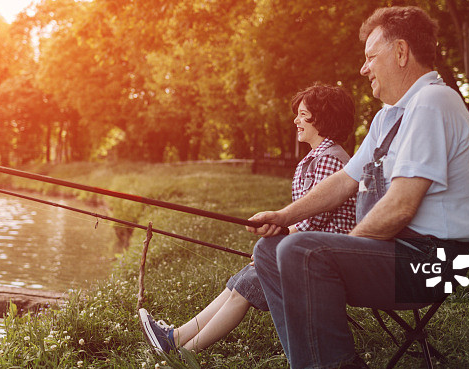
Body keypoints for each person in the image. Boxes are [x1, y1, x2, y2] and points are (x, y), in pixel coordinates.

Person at [247, 6, 469, 369]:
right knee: (270, 250)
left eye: (371, 56)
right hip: (402, 253)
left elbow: (401, 206)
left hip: (434, 263)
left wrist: (338, 252)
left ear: (401, 52)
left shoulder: (432, 103)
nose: (363, 68)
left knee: (303, 251)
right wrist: (284, 217)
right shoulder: (389, 117)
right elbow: (343, 181)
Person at [139, 83, 357, 355]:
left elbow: (315, 220)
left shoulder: (330, 159)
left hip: (325, 258)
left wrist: (277, 246)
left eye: (303, 115)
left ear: (322, 118)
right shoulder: (313, 160)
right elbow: (305, 221)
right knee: (244, 279)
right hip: (309, 248)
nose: (295, 120)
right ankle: (174, 338)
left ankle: (184, 353)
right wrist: (274, 244)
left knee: (250, 282)